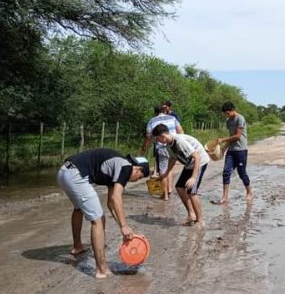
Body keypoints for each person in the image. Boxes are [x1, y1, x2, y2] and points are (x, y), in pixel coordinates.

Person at [56, 148, 150, 278]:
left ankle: (77, 246)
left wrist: (123, 227)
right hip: (76, 175)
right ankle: (102, 269)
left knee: (79, 208)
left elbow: (111, 203)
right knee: (98, 219)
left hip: (64, 172)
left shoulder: (118, 167)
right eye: (138, 178)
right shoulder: (126, 167)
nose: (133, 181)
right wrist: (124, 226)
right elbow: (116, 197)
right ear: (138, 169)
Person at [151, 124, 209, 227]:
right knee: (179, 187)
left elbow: (197, 156)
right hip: (189, 164)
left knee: (191, 191)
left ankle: (200, 220)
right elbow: (173, 159)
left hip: (200, 162)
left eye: (157, 139)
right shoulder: (168, 145)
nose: (158, 141)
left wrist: (193, 177)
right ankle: (191, 215)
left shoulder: (179, 141)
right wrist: (165, 173)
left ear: (163, 136)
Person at [140, 104, 183, 200]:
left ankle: (165, 195)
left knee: (163, 171)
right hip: (174, 146)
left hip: (161, 147)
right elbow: (180, 130)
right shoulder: (172, 118)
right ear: (164, 110)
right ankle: (169, 188)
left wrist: (144, 148)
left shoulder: (152, 121)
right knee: (170, 168)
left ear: (155, 112)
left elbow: (148, 136)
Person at [216, 101, 252, 204]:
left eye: (227, 113)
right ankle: (225, 197)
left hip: (241, 150)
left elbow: (237, 136)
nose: (227, 115)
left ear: (232, 110)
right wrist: (224, 148)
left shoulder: (240, 118)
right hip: (231, 151)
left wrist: (223, 140)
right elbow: (231, 137)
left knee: (242, 173)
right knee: (226, 172)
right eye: (225, 114)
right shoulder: (228, 121)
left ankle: (249, 192)